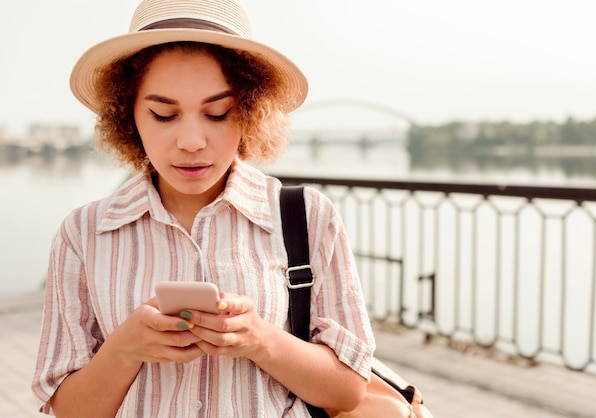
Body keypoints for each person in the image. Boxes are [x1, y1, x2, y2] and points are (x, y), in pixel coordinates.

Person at [31, 0, 376, 417]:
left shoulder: (307, 218)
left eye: (217, 113)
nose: (192, 141)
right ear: (129, 116)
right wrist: (125, 348)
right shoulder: (84, 233)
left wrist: (259, 339)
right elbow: (69, 410)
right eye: (163, 114)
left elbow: (348, 392)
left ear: (249, 111)